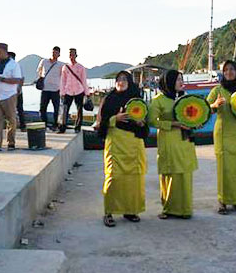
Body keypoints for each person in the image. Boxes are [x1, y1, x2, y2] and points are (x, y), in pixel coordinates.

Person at [96, 71, 148, 227]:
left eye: (125, 79)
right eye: (118, 79)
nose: (121, 82)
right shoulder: (109, 100)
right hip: (115, 144)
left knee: (133, 179)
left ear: (130, 82)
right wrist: (114, 119)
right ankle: (109, 212)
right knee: (113, 177)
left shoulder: (137, 100)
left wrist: (141, 123)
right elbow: (100, 123)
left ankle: (130, 211)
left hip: (133, 144)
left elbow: (146, 122)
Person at [148, 70, 197, 219]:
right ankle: (169, 209)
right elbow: (151, 121)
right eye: (177, 80)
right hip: (169, 141)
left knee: (185, 175)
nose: (181, 82)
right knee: (171, 175)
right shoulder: (159, 100)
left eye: (182, 79)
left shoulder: (186, 98)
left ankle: (185, 210)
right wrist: (172, 124)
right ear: (168, 82)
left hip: (185, 141)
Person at [207, 60, 236, 215]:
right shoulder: (217, 90)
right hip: (224, 134)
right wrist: (214, 105)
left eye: (232, 69)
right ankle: (223, 201)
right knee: (224, 169)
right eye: (226, 70)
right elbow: (205, 109)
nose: (229, 72)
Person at [0, 43, 22, 151]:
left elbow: (17, 80)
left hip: (9, 96)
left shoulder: (13, 64)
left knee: (11, 119)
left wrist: (2, 79)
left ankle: (11, 142)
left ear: (5, 51)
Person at [59, 48, 90, 133]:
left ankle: (77, 127)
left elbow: (84, 80)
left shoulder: (81, 67)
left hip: (79, 90)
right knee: (64, 110)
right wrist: (62, 92)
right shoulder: (65, 67)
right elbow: (63, 80)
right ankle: (62, 127)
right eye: (70, 54)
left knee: (79, 110)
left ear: (76, 55)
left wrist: (87, 93)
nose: (71, 56)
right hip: (68, 91)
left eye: (73, 54)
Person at [37, 46, 63, 130]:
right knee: (42, 108)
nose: (54, 54)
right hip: (45, 89)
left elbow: (62, 76)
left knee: (56, 108)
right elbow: (39, 71)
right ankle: (44, 124)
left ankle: (55, 124)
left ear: (59, 54)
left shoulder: (61, 65)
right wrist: (41, 78)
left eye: (56, 52)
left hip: (56, 89)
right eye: (53, 52)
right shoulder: (44, 61)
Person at [8, 51, 26, 131]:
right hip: (8, 93)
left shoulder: (18, 66)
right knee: (10, 110)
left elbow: (21, 79)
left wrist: (19, 88)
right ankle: (11, 126)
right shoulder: (6, 66)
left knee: (19, 109)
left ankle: (22, 126)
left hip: (17, 92)